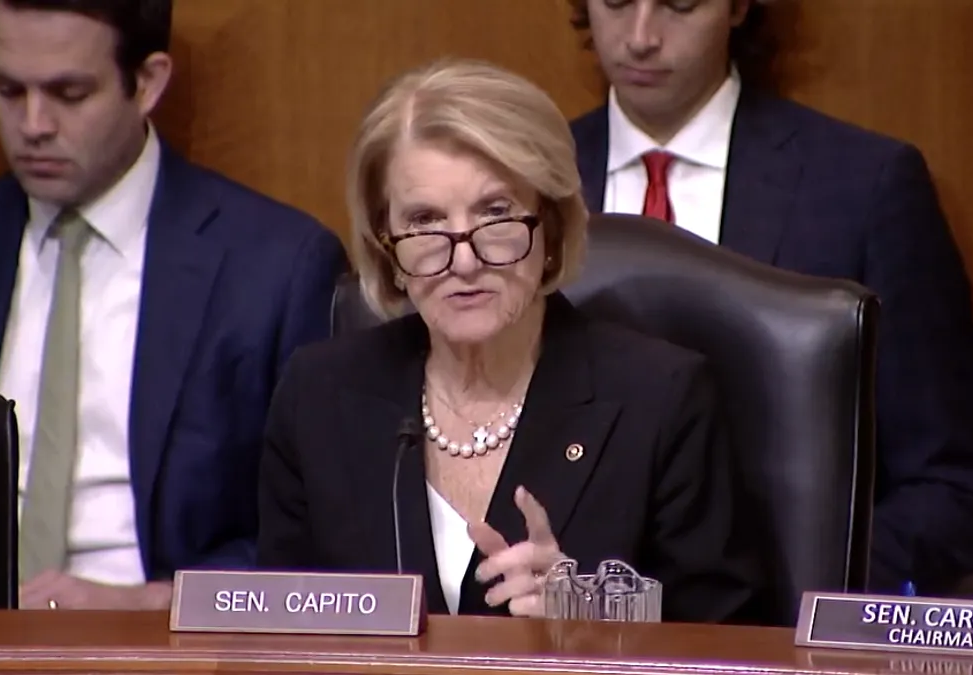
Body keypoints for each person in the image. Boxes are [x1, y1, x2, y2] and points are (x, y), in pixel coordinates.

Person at [0, 0, 348, 609]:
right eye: (7, 89)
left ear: (147, 82)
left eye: (69, 93)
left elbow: (316, 538)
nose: (33, 123)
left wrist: (156, 605)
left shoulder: (275, 268)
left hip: (164, 645)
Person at [256, 58, 760, 622]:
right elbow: (281, 630)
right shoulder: (320, 395)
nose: (464, 260)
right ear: (386, 249)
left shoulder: (661, 400)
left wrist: (595, 619)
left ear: (550, 228)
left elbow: (726, 638)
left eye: (495, 214)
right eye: (424, 222)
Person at [566, 0, 973, 595]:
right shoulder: (521, 188)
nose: (641, 37)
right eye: (617, 0)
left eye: (680, 3)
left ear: (738, 7)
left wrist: (797, 590)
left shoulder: (865, 188)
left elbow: (959, 492)